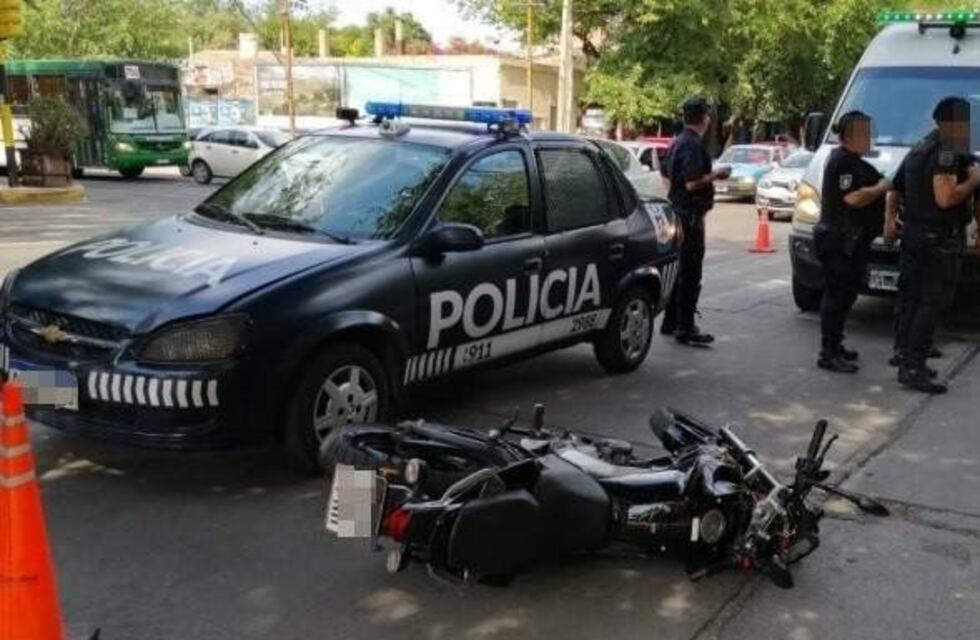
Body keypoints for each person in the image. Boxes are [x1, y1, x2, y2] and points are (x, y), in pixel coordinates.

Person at [885, 96, 980, 393]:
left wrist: (888, 222)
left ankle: (905, 355)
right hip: (936, 240)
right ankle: (913, 367)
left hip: (914, 236)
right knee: (930, 303)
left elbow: (893, 191)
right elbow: (945, 197)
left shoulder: (918, 148)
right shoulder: (949, 150)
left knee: (912, 299)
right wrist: (974, 180)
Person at [813, 111, 891, 373]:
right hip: (839, 241)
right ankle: (828, 352)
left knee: (846, 296)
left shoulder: (852, 160)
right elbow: (853, 199)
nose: (871, 138)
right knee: (836, 297)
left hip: (851, 241)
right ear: (853, 136)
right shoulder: (842, 162)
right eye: (867, 133)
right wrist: (881, 187)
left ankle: (836, 344)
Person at [660, 97, 731, 345]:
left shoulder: (677, 142)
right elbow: (692, 183)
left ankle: (671, 322)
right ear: (704, 119)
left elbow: (666, 176)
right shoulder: (691, 145)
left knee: (679, 271)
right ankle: (686, 327)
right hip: (689, 218)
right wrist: (716, 174)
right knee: (690, 273)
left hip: (678, 214)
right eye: (708, 115)